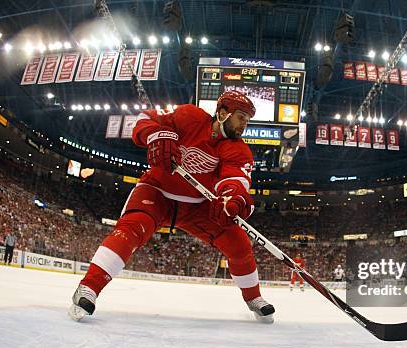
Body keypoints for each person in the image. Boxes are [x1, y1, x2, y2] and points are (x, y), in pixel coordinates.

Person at [69, 91, 275, 323]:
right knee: (131, 230)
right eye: (241, 117)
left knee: (238, 244)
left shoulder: (238, 149)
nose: (244, 124)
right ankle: (88, 288)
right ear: (223, 113)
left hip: (199, 205)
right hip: (158, 191)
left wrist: (232, 199)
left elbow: (235, 180)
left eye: (248, 119)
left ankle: (253, 298)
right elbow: (143, 119)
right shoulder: (189, 116)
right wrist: (156, 134)